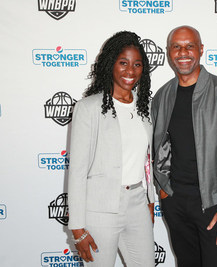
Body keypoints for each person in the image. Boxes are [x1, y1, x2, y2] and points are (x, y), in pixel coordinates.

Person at [151, 25, 217, 267]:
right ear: (169, 52)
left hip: (213, 205)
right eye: (177, 47)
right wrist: (163, 188)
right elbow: (158, 147)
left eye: (189, 46)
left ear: (201, 49)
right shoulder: (162, 97)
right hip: (175, 201)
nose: (183, 52)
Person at [67, 31, 155, 267]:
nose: (130, 71)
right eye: (123, 63)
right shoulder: (89, 108)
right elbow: (77, 170)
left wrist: (150, 199)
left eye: (137, 64)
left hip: (137, 203)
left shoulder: (145, 108)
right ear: (110, 64)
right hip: (100, 208)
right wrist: (77, 228)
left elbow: (147, 159)